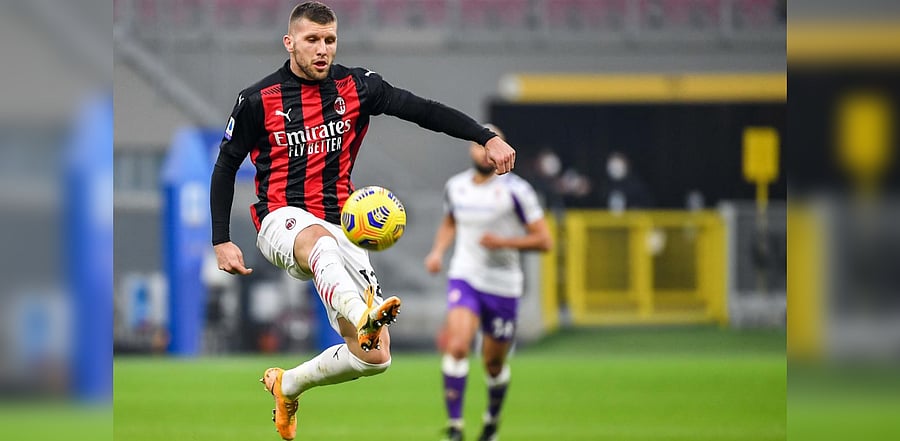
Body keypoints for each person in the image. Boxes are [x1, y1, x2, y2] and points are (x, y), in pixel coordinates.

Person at [209, 3, 517, 440]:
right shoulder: (259, 100)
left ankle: (289, 384)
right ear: (289, 42)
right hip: (281, 219)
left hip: (343, 224)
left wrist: (484, 136)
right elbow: (225, 167)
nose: (322, 49)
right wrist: (221, 238)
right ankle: (363, 313)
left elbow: (423, 110)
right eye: (312, 40)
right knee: (318, 241)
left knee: (375, 358)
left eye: (329, 40)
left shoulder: (357, 86)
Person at [424, 125, 551, 441]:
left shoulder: (516, 190)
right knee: (456, 346)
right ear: (472, 148)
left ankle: (491, 420)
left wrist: (505, 242)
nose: (484, 151)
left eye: (490, 145)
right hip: (465, 276)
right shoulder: (456, 187)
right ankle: (455, 427)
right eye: (478, 144)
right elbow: (450, 221)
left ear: (501, 149)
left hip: (503, 284)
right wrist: (438, 251)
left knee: (493, 364)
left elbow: (544, 240)